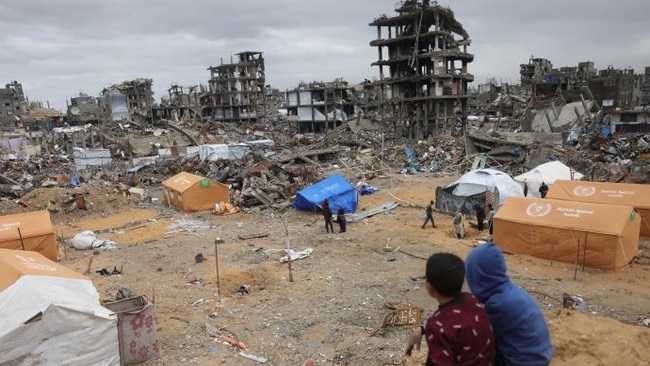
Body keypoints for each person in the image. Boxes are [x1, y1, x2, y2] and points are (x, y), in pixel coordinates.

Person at [465, 242, 554, 366]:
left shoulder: (498, 305)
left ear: (479, 276)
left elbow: (481, 339)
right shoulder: (511, 292)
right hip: (540, 357)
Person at [405, 252, 495, 366]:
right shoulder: (472, 300)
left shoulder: (437, 325)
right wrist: (422, 330)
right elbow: (455, 326)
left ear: (429, 287)